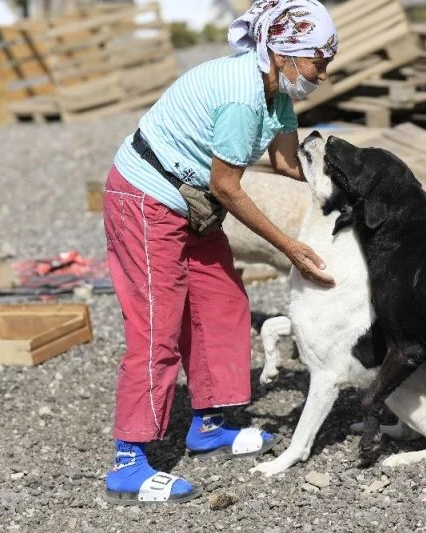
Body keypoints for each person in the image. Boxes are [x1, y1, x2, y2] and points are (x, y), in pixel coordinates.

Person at [102, 0, 338, 505]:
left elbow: (287, 163)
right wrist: (291, 247)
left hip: (193, 204)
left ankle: (207, 426)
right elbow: (229, 187)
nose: (324, 72)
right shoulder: (242, 98)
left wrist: (347, 183)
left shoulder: (277, 92)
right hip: (145, 198)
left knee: (223, 304)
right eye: (319, 59)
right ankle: (129, 459)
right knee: (156, 325)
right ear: (285, 51)